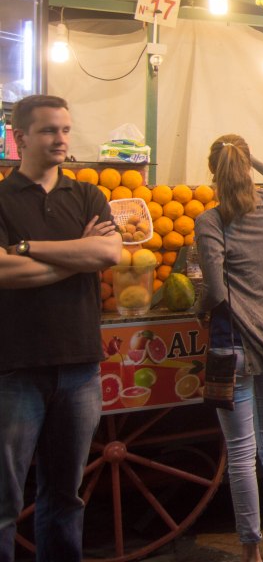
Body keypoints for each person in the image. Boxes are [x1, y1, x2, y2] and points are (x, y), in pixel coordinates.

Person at [0, 94, 121, 562]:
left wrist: (25, 248)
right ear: (21, 137)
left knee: (65, 496)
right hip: (14, 368)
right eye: (50, 130)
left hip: (79, 369)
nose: (61, 139)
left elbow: (108, 255)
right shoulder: (2, 198)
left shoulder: (87, 193)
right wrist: (76, 258)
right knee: (5, 502)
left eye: (66, 130)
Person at [194, 136, 263, 562]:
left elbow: (215, 288)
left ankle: (250, 550)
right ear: (246, 169)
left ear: (214, 174)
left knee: (241, 451)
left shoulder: (211, 220)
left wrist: (200, 309)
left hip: (232, 342)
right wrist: (251, 157)